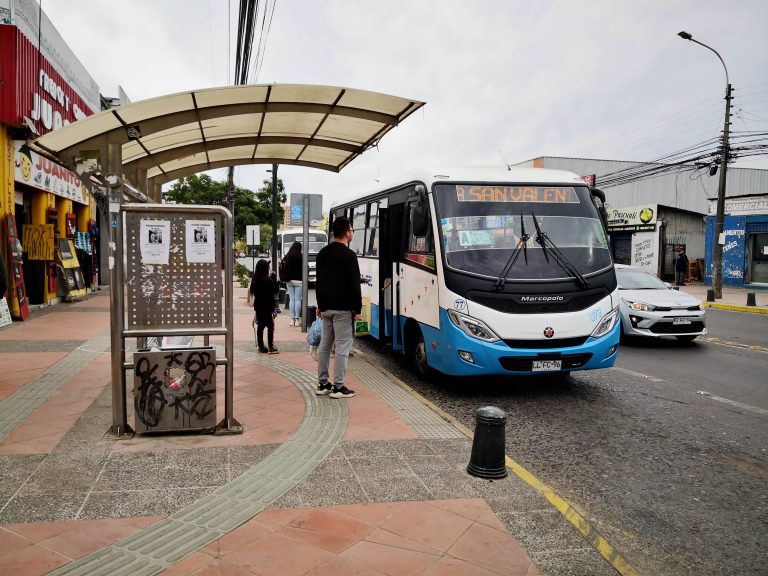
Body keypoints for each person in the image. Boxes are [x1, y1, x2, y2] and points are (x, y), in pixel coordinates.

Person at [315, 217, 361, 399]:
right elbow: (354, 285)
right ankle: (339, 387)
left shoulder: (322, 254)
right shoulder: (349, 256)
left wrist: (320, 306)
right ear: (347, 233)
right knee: (342, 346)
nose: (351, 233)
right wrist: (357, 310)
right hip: (343, 309)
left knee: (324, 345)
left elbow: (319, 282)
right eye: (351, 230)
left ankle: (323, 383)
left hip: (326, 308)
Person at [249, 259, 279, 354]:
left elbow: (253, 291)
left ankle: (261, 346)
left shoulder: (255, 279)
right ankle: (270, 346)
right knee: (270, 326)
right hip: (267, 307)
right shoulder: (268, 280)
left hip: (258, 306)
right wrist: (274, 278)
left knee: (261, 326)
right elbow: (275, 290)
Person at [283, 241, 304, 326]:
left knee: (292, 299)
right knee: (298, 299)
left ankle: (292, 319)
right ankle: (297, 320)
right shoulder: (301, 257)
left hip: (289, 280)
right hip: (299, 281)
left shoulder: (288, 256)